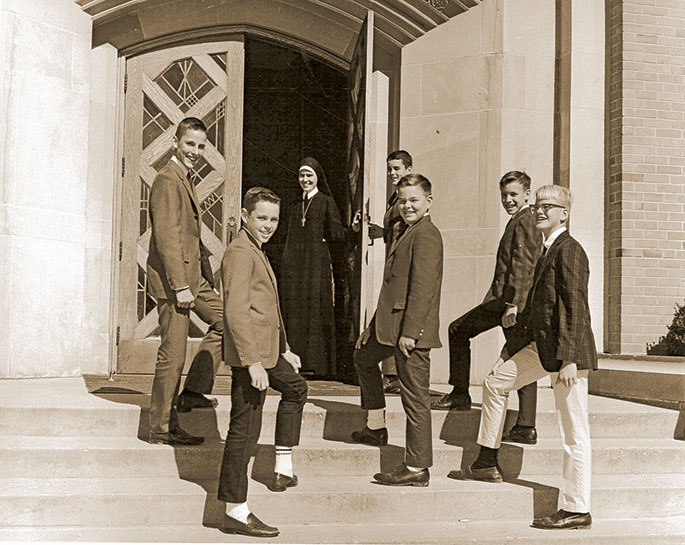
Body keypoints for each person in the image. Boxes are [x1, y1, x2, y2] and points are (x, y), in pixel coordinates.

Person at [448, 185, 597, 530]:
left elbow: (576, 307)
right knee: (496, 381)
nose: (541, 210)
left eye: (550, 206)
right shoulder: (548, 250)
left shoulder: (570, 250)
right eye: (540, 205)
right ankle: (486, 460)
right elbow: (541, 311)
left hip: (566, 356)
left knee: (574, 433)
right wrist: (511, 347)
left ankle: (577, 507)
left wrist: (571, 359)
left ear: (565, 213)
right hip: (545, 349)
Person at [218, 187, 308, 538]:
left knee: (296, 388)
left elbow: (267, 307)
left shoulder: (257, 249)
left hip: (268, 352)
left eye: (273, 218)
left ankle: (283, 467)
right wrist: (252, 363)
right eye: (261, 218)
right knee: (244, 431)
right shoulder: (240, 252)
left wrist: (284, 348)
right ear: (244, 216)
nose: (268, 225)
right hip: (251, 356)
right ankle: (235, 510)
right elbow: (236, 311)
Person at [432, 171, 543, 445]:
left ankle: (462, 396)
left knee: (459, 331)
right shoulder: (520, 220)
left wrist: (513, 306)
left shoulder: (525, 221)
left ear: (527, 194)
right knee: (515, 352)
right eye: (504, 195)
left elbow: (524, 267)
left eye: (514, 194)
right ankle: (525, 425)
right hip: (505, 301)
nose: (508, 200)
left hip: (512, 304)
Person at [350, 173, 443, 487]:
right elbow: (393, 286)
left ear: (428, 201)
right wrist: (372, 326)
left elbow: (423, 289)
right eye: (402, 200)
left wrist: (411, 332)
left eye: (414, 200)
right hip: (388, 328)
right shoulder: (405, 231)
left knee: (415, 399)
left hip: (409, 334)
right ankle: (376, 427)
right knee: (363, 357)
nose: (407, 206)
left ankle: (417, 468)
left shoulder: (427, 234)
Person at [146, 117, 224, 446]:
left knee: (228, 321)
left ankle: (192, 391)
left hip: (194, 279)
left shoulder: (185, 177)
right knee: (173, 355)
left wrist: (205, 278)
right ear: (175, 142)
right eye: (189, 144)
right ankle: (160, 428)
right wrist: (179, 285)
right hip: (174, 282)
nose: (195, 151)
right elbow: (166, 237)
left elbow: (190, 235)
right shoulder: (168, 178)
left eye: (200, 146)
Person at [280, 157, 348, 378]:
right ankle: (296, 361)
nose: (305, 179)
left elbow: (337, 234)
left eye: (309, 175)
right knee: (296, 311)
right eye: (302, 175)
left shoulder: (325, 201)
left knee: (316, 311)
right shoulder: (294, 205)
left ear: (317, 177)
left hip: (316, 268)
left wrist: (355, 230)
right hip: (296, 269)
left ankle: (317, 365)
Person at [367, 150, 413, 394]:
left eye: (396, 168)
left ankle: (394, 375)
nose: (392, 173)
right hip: (392, 262)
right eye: (389, 169)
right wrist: (381, 232)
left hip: (401, 266)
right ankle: (392, 373)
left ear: (408, 168)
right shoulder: (395, 198)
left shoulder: (408, 198)